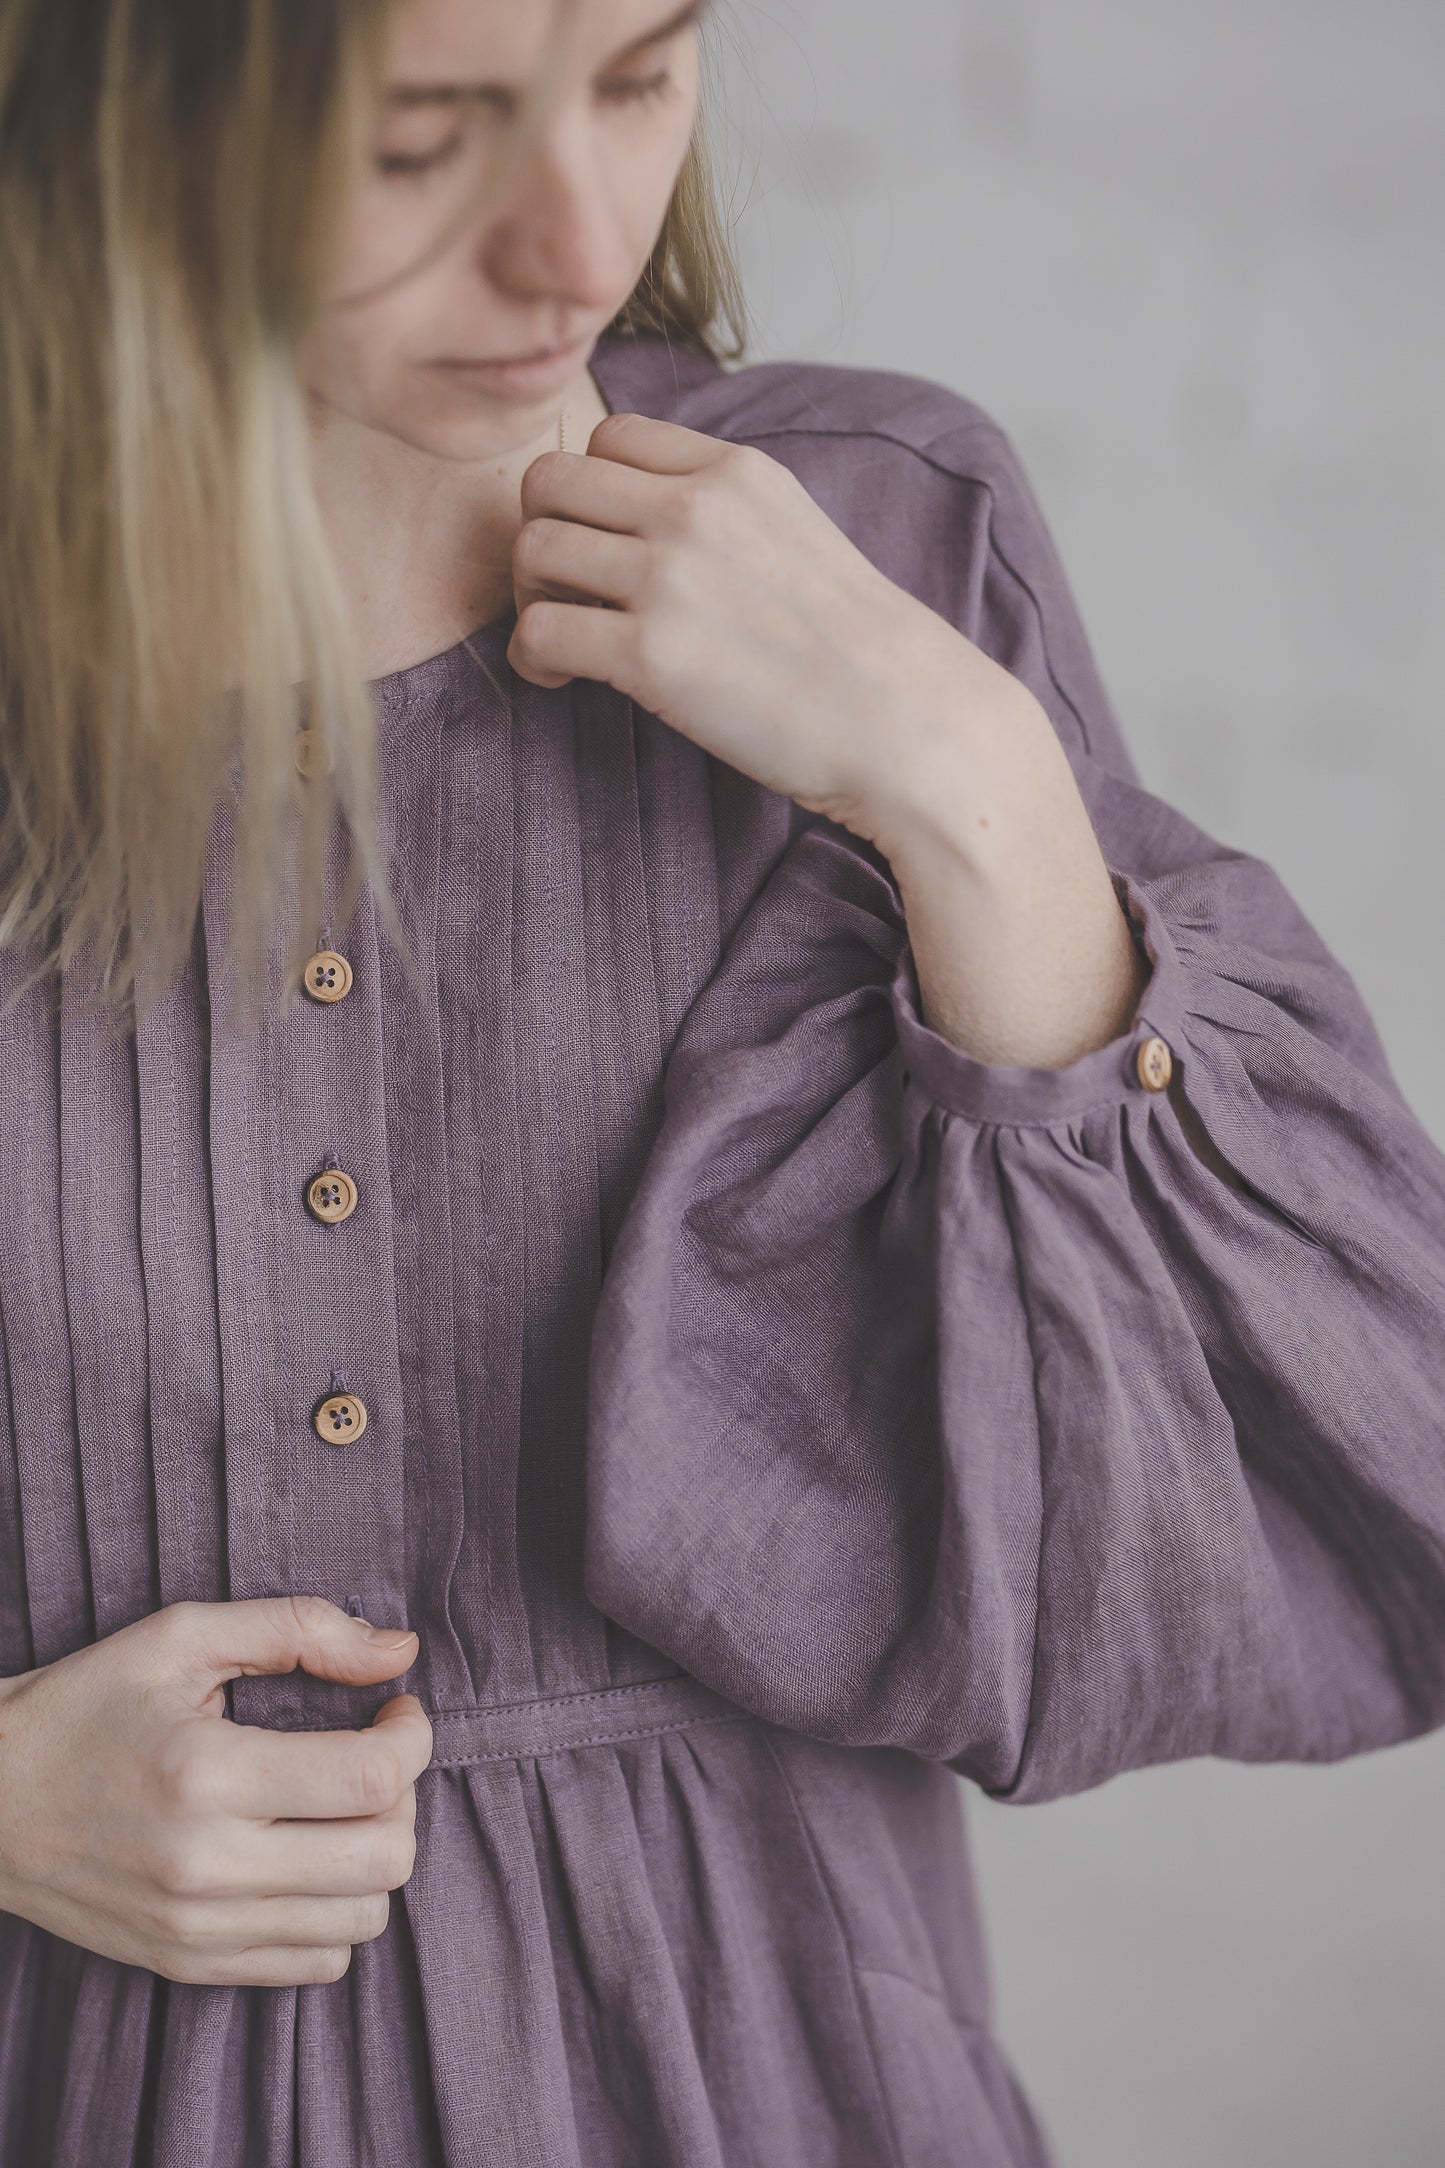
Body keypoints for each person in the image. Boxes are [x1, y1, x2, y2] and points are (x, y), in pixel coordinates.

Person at [0, 0, 1442, 2161]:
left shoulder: (889, 529)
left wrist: (971, 793)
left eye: (644, 70)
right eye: (431, 134)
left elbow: (1347, 1495)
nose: (577, 238)